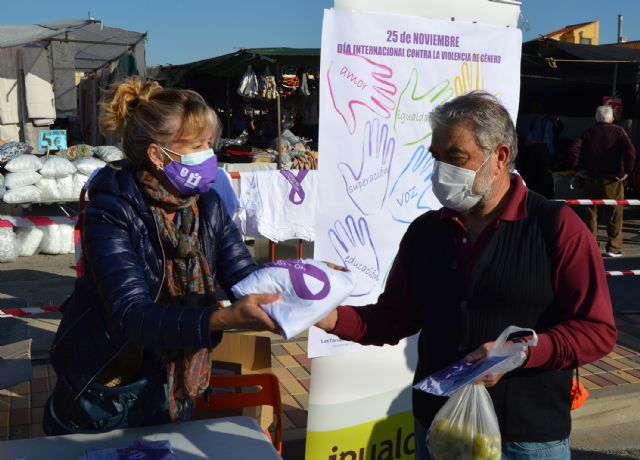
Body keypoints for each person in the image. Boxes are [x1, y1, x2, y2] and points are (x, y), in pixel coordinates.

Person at [317, 92, 617, 460]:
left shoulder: (556, 227)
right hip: (440, 431)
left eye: (455, 158)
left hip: (526, 439)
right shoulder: (425, 232)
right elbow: (391, 319)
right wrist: (324, 314)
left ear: (500, 157)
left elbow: (597, 330)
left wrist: (522, 352)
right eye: (436, 157)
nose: (442, 170)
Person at [43, 77, 280, 435]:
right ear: (157, 154)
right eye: (197, 145)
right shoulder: (112, 211)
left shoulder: (207, 206)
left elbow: (245, 276)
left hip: (174, 379)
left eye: (209, 144)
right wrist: (219, 320)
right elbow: (130, 313)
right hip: (111, 380)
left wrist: (305, 282)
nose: (209, 155)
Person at [569, 105, 636, 257]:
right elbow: (630, 152)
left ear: (596, 118)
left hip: (591, 178)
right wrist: (627, 171)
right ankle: (613, 247)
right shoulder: (619, 132)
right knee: (614, 213)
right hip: (613, 180)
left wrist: (579, 169)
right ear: (611, 118)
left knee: (591, 213)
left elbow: (574, 150)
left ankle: (591, 246)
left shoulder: (588, 132)